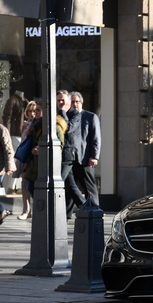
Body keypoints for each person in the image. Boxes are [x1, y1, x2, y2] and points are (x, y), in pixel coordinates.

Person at [24, 102, 68, 197]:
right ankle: (40, 209)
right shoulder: (35, 125)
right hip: (35, 163)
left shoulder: (55, 126)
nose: (35, 112)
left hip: (47, 164)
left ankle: (44, 210)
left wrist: (42, 148)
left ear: (47, 112)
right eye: (35, 110)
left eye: (38, 110)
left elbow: (59, 144)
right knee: (30, 186)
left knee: (43, 190)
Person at [67, 91, 101, 214]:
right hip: (71, 158)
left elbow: (96, 138)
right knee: (70, 187)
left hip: (85, 158)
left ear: (81, 103)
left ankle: (95, 210)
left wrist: (94, 156)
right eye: (72, 102)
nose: (75, 104)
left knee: (89, 187)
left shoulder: (91, 117)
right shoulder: (67, 117)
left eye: (77, 101)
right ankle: (67, 213)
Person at [57, 90, 86, 219]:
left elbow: (68, 128)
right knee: (70, 184)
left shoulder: (76, 114)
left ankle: (53, 209)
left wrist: (63, 111)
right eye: (58, 101)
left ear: (68, 101)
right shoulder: (56, 113)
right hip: (58, 153)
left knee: (58, 181)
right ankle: (86, 207)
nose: (60, 103)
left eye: (63, 100)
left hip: (68, 154)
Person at [1, 90, 27, 194]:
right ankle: (10, 187)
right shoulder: (12, 100)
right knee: (13, 159)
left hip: (20, 134)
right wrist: (6, 134)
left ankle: (15, 186)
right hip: (14, 134)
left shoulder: (23, 100)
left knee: (18, 159)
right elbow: (6, 117)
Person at [15, 101, 37, 220]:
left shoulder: (38, 125)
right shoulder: (25, 125)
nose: (32, 113)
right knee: (24, 184)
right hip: (25, 158)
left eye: (34, 111)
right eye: (30, 111)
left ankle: (36, 209)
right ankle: (26, 210)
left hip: (34, 158)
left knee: (32, 186)